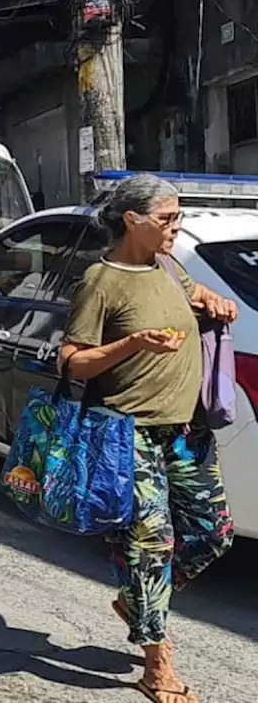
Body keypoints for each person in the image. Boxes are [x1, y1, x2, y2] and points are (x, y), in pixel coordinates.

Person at [58, 174, 238, 703]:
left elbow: (191, 293)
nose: (175, 229)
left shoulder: (167, 265)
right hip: (125, 436)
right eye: (167, 220)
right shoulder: (100, 280)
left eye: (177, 218)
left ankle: (139, 601)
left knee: (213, 532)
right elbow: (73, 361)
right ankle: (158, 666)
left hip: (185, 432)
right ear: (132, 220)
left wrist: (215, 301)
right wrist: (133, 343)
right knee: (150, 545)